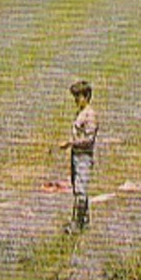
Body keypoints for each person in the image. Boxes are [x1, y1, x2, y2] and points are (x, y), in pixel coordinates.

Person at [56, 80, 98, 231]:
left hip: (83, 156)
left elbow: (89, 139)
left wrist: (71, 143)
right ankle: (83, 221)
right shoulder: (81, 113)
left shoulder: (90, 115)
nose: (75, 100)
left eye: (78, 97)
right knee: (77, 188)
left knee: (81, 190)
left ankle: (77, 224)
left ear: (86, 96)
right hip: (77, 155)